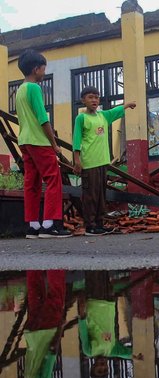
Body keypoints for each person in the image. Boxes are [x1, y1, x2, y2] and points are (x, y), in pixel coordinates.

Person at [16, 49, 72, 238]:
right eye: (43, 69)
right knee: (53, 179)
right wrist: (54, 143)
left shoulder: (20, 90)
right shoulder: (34, 88)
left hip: (24, 141)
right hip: (38, 141)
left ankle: (33, 225)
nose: (44, 72)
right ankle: (49, 225)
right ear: (35, 69)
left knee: (31, 183)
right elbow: (42, 119)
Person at [73, 87, 136, 236]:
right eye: (90, 97)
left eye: (96, 97)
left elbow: (115, 111)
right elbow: (76, 139)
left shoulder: (103, 116)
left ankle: (99, 224)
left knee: (101, 195)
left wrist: (127, 105)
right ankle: (90, 226)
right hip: (89, 163)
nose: (94, 100)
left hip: (102, 162)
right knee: (90, 195)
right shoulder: (81, 118)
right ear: (83, 100)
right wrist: (77, 160)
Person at [23, 270, 66, 378]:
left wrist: (60, 328)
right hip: (31, 333)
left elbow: (51, 353)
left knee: (56, 295)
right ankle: (32, 266)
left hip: (47, 330)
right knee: (35, 294)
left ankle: (55, 266)